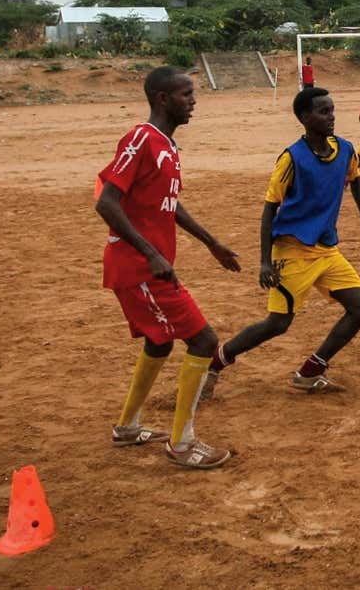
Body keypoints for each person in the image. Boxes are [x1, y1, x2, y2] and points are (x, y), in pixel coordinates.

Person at [95, 66, 242, 469]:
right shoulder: (141, 138)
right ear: (162, 99)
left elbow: (169, 205)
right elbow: (106, 202)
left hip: (149, 267)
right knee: (204, 341)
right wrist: (151, 253)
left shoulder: (168, 148)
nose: (193, 100)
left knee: (159, 342)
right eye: (185, 94)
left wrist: (211, 242)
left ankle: (127, 427)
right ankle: (182, 444)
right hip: (139, 269)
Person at [206, 86, 360, 396]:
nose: (331, 116)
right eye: (322, 111)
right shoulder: (292, 158)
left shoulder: (344, 150)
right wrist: (264, 261)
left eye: (332, 110)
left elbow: (354, 180)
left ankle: (310, 371)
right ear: (304, 118)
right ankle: (218, 360)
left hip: (326, 249)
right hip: (292, 250)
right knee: (278, 324)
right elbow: (268, 209)